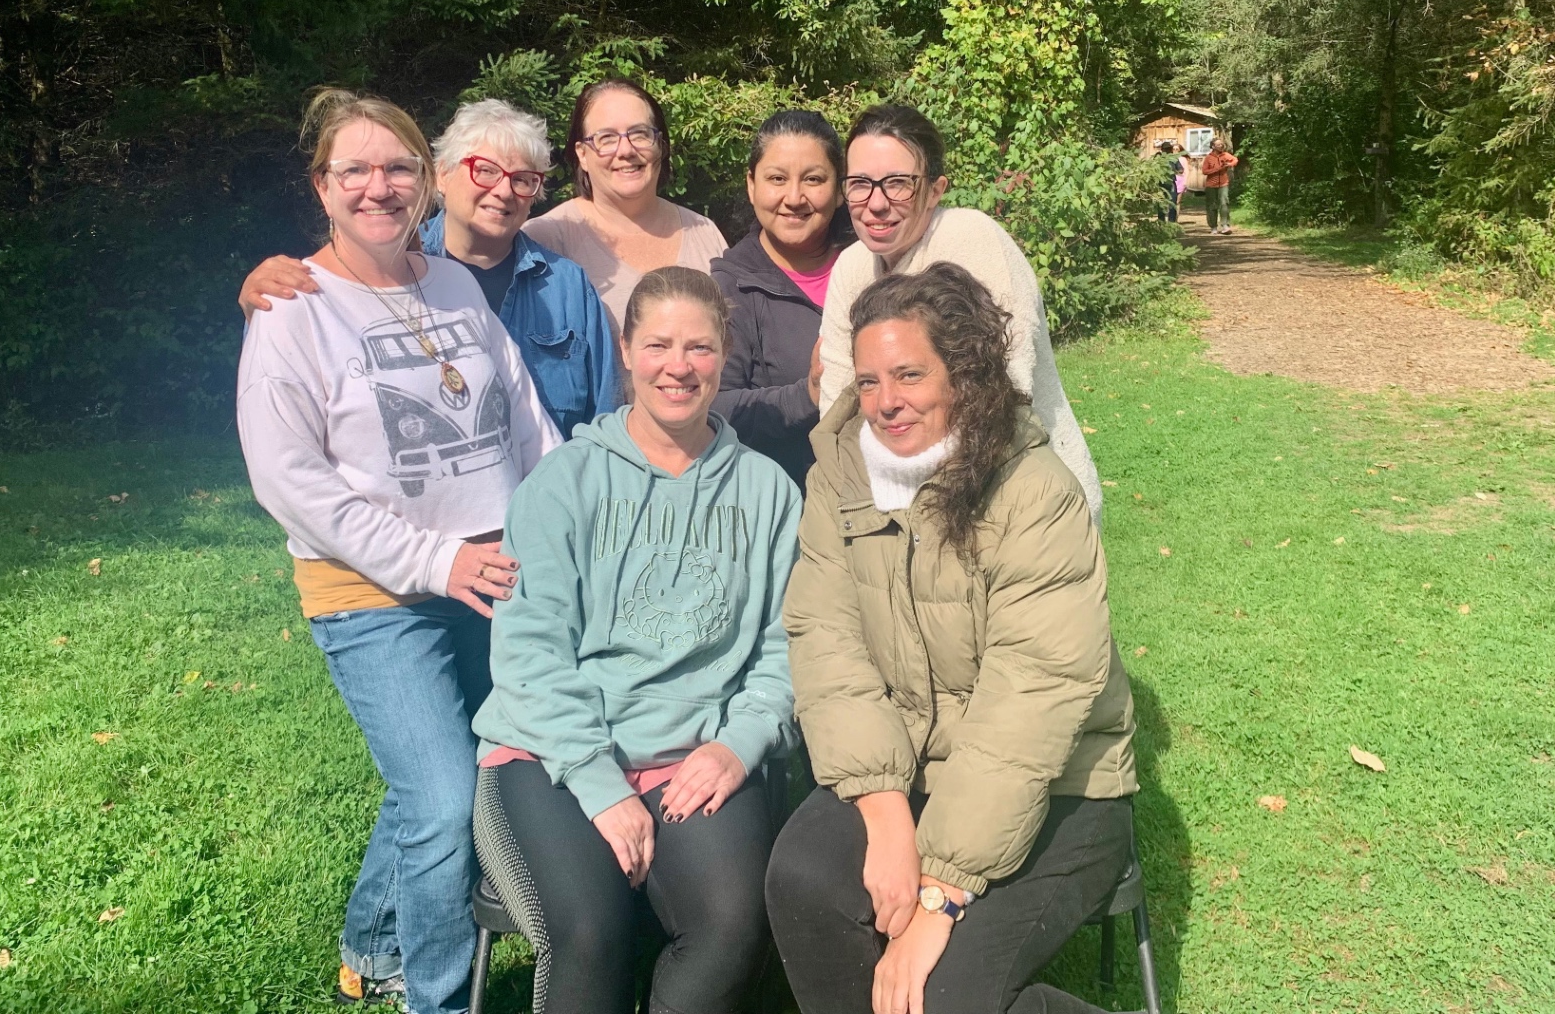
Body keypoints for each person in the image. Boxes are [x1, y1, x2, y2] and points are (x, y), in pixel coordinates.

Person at [235, 88, 564, 1014]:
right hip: (376, 593)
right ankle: (434, 997)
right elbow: (290, 482)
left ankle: (372, 944)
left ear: (425, 181)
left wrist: (565, 520)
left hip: (495, 576)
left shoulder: (451, 282)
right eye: (356, 170)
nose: (378, 187)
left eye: (396, 168)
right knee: (443, 797)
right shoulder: (292, 309)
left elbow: (526, 424)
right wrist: (435, 563)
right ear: (321, 186)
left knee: (453, 779)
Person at [767, 263, 1138, 1014]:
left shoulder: (1033, 492)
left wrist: (941, 893)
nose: (885, 403)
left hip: (1062, 785)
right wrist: (884, 809)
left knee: (940, 993)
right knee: (804, 882)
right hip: (907, 766)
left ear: (965, 375)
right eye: (868, 381)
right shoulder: (839, 475)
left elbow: (1030, 703)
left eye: (909, 375)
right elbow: (825, 643)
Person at [471, 267, 801, 1014]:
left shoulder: (769, 493)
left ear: (724, 354)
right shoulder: (563, 483)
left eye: (699, 348)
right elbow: (529, 653)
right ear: (626, 350)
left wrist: (737, 744)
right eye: (658, 344)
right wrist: (597, 782)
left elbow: (785, 649)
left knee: (732, 926)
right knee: (591, 933)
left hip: (692, 755)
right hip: (552, 752)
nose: (677, 367)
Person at [239, 97, 619, 439]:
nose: (504, 191)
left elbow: (606, 422)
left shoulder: (567, 289)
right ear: (441, 174)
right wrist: (259, 304)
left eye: (522, 180)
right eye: (484, 171)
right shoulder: (385, 268)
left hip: (551, 505)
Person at [816, 105, 1104, 524]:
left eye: (898, 184)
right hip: (898, 511)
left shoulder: (971, 239)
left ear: (935, 190)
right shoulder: (852, 267)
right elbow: (839, 404)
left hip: (1019, 501)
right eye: (860, 184)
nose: (875, 204)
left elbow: (1000, 397)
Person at [525, 77, 728, 344]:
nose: (626, 150)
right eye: (606, 138)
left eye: (640, 134)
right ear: (582, 154)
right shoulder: (545, 241)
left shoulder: (704, 232)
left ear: (661, 146)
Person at [710, 109, 850, 487]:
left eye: (814, 179)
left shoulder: (871, 267)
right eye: (777, 179)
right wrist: (807, 395)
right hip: (784, 506)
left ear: (840, 190)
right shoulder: (731, 287)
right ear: (752, 185)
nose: (794, 197)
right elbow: (713, 408)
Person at [1201, 135, 1238, 234]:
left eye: (1221, 144)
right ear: (1213, 146)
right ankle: (1213, 227)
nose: (1221, 146)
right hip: (1211, 185)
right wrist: (1217, 169)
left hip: (1223, 183)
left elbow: (1235, 160)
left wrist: (1229, 165)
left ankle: (1225, 225)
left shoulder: (1225, 155)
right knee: (1212, 206)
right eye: (1218, 144)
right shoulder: (1208, 158)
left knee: (1224, 203)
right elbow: (1204, 171)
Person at [1158, 139, 1183, 223]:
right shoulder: (1158, 158)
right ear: (1162, 150)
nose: (1168, 151)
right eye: (1166, 149)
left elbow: (1181, 169)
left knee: (1172, 203)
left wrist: (1175, 171)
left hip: (1171, 183)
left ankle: (1172, 222)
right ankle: (1161, 222)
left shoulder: (1174, 159)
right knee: (1161, 203)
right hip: (1160, 184)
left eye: (1169, 149)